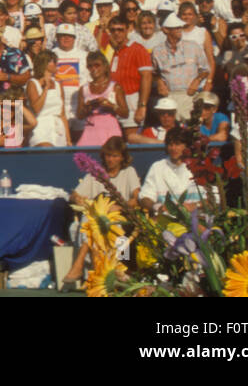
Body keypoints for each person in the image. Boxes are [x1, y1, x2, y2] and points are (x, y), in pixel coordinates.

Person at [62, 136, 140, 290]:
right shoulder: (96, 173)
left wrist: (120, 207)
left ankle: (79, 264)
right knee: (91, 217)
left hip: (120, 217)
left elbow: (135, 199)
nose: (111, 159)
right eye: (108, 155)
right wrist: (78, 198)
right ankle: (90, 270)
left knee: (99, 220)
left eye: (115, 156)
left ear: (122, 157)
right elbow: (74, 195)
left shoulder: (128, 172)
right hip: (98, 219)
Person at [139, 128, 200, 213]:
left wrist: (195, 205)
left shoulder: (198, 166)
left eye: (177, 144)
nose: (173, 148)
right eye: (170, 144)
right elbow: (145, 198)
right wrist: (157, 207)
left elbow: (212, 200)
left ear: (186, 146)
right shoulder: (157, 167)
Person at [75, 51, 128, 146]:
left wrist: (110, 105)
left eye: (97, 65)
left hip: (110, 129)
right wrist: (88, 107)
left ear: (105, 66)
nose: (93, 69)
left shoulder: (115, 87)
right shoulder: (84, 89)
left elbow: (125, 113)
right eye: (90, 66)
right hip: (90, 130)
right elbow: (79, 115)